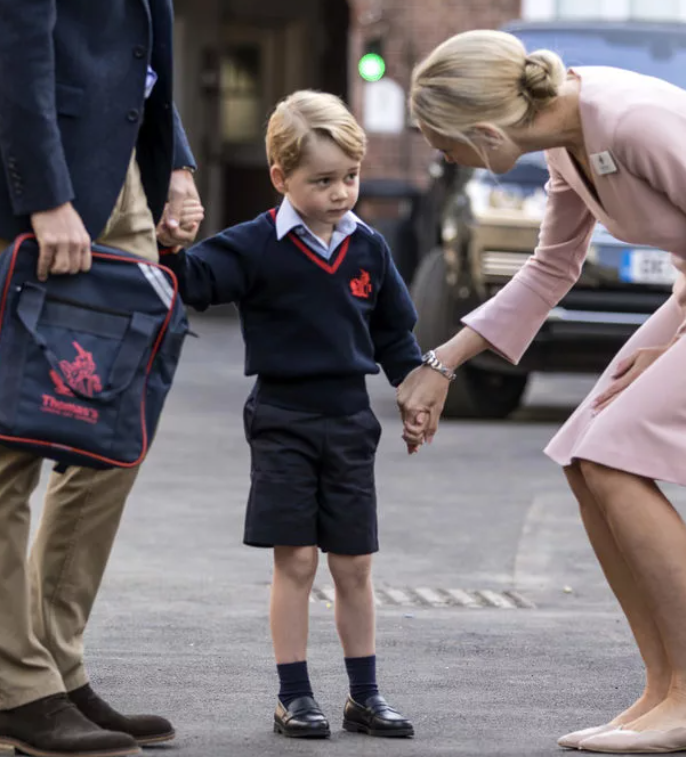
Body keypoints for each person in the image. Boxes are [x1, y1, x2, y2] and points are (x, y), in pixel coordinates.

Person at [399, 30, 686, 754]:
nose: (443, 158)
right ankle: (666, 689)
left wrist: (673, 344)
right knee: (583, 454)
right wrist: (444, 361)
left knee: (614, 456)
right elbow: (551, 266)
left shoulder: (629, 118)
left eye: (444, 143)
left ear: (489, 132)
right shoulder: (566, 135)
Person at [0, 2, 202, 755]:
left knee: (114, 431)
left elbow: (133, 51)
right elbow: (15, 45)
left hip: (119, 175)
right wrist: (45, 196)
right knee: (9, 436)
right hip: (42, 192)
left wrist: (175, 163)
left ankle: (56, 665)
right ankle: (19, 694)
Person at [162, 89, 417, 741]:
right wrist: (169, 242)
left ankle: (364, 694)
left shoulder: (369, 249)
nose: (341, 193)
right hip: (282, 418)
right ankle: (294, 696)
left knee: (354, 564)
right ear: (280, 177)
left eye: (351, 178)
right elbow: (189, 282)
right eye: (323, 180)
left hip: (350, 422)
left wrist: (414, 393)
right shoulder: (253, 246)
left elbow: (394, 335)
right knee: (296, 560)